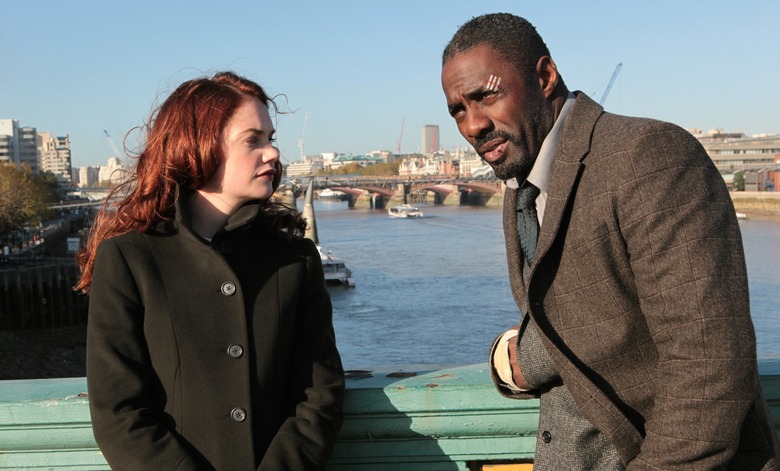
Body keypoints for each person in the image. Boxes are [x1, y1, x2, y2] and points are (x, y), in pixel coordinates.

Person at [441, 13, 779, 470]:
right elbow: (583, 314)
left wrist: (515, 358)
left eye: (486, 95)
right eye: (458, 109)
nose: (472, 125)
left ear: (544, 76)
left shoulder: (650, 156)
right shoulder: (521, 189)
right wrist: (516, 357)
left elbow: (709, 369)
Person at [75, 71, 345, 470]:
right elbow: (118, 411)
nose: (272, 153)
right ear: (197, 147)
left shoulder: (295, 260)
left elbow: (319, 395)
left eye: (271, 139)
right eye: (253, 140)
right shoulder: (130, 259)